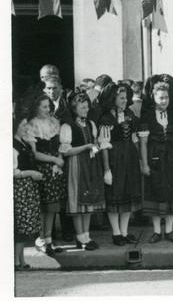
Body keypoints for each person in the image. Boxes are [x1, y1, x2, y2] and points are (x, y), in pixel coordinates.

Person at [138, 75, 173, 244]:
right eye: (161, 97)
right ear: (153, 97)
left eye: (166, 97)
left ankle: (170, 231)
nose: (164, 101)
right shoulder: (147, 116)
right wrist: (144, 163)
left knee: (172, 192)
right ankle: (157, 231)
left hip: (172, 157)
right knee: (155, 193)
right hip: (154, 158)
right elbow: (143, 143)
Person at [96, 82, 142, 245]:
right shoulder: (107, 118)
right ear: (113, 99)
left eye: (126, 98)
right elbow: (104, 146)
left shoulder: (129, 113)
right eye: (121, 98)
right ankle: (116, 232)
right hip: (115, 158)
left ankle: (124, 231)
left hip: (129, 157)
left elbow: (135, 138)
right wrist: (107, 169)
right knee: (115, 195)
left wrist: (139, 160)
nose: (125, 100)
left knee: (127, 194)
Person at [60, 91, 106, 251]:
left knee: (89, 201)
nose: (86, 110)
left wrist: (96, 147)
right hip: (76, 165)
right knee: (78, 202)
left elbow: (95, 142)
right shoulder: (68, 126)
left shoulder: (91, 124)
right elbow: (65, 151)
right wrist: (86, 147)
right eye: (82, 107)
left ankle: (86, 235)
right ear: (74, 109)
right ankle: (80, 237)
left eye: (87, 107)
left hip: (91, 164)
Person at [24, 93, 65, 256]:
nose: (48, 109)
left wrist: (59, 159)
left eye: (49, 106)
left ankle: (49, 239)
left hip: (55, 169)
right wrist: (54, 159)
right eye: (44, 106)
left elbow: (60, 145)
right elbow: (34, 154)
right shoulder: (31, 125)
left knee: (53, 207)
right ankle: (40, 239)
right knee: (43, 207)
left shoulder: (53, 122)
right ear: (36, 108)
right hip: (41, 169)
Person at [14, 103, 43, 271]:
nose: (26, 128)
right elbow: (13, 171)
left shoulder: (23, 143)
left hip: (27, 187)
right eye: (23, 125)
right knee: (21, 226)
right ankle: (16, 261)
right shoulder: (13, 146)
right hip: (20, 188)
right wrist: (31, 173)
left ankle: (21, 259)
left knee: (26, 225)